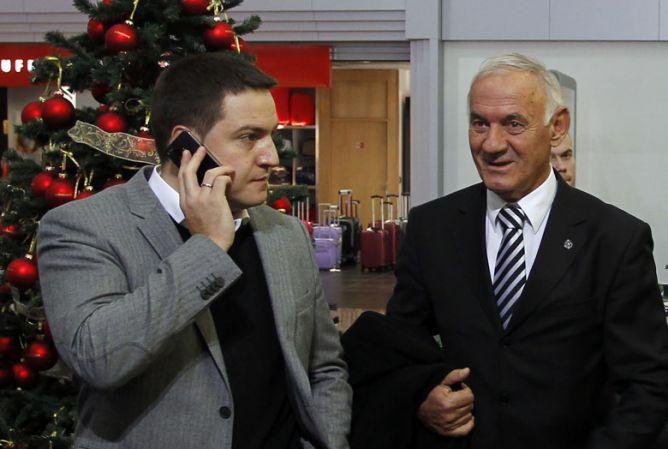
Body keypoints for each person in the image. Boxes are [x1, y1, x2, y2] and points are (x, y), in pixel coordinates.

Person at [37, 52, 351, 449]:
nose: (272, 157)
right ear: (186, 146)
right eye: (249, 137)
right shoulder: (83, 227)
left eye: (271, 135)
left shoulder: (285, 233)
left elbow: (324, 366)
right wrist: (208, 247)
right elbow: (100, 360)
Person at [386, 53, 668, 449]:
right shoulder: (432, 227)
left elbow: (647, 385)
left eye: (513, 124)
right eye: (479, 123)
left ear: (557, 128)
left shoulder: (615, 239)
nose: (492, 144)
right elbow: (398, 350)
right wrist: (420, 397)